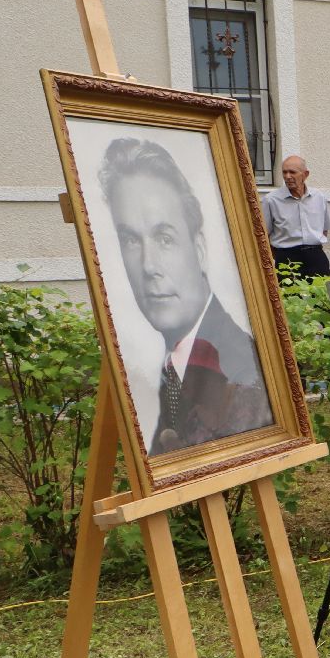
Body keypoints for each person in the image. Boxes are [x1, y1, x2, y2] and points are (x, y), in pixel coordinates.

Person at [98, 137, 274, 455]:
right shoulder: (171, 361)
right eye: (131, 240)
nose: (148, 266)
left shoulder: (241, 369)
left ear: (199, 248)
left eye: (164, 238)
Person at [261, 154, 330, 281]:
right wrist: (279, 255)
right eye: (284, 172)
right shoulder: (271, 200)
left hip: (316, 256)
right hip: (287, 258)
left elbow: (325, 229)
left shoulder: (319, 197)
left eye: (292, 172)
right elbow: (264, 234)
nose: (288, 177)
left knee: (322, 297)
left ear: (305, 174)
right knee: (289, 298)